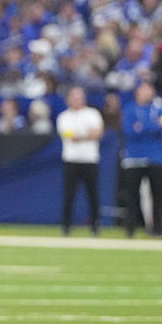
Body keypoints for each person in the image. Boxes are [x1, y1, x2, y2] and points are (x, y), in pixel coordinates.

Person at [121, 82, 162, 237]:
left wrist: (143, 126)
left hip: (155, 158)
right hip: (133, 158)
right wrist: (153, 126)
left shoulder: (159, 107)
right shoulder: (130, 109)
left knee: (157, 195)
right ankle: (130, 229)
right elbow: (129, 130)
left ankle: (157, 229)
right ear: (137, 92)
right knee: (132, 195)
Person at [55, 86, 103, 236]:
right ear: (68, 99)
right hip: (71, 160)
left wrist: (82, 136)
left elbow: (98, 132)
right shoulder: (64, 117)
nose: (77, 100)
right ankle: (66, 226)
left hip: (90, 159)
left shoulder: (92, 113)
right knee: (69, 195)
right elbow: (70, 136)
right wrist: (86, 135)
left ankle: (95, 226)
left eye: (79, 97)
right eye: (74, 97)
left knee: (93, 194)